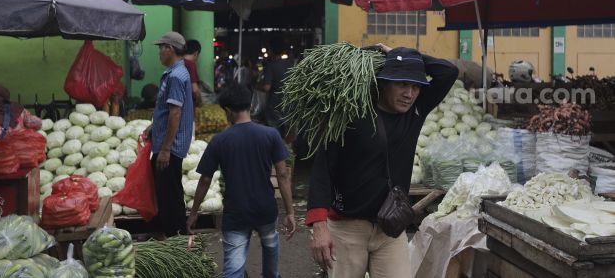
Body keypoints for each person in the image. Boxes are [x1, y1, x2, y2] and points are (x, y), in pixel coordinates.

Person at [306, 45, 458, 278]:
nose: (409, 93)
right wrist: (319, 225)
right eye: (402, 84)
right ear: (383, 82)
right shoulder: (351, 112)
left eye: (416, 86)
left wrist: (404, 56)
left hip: (391, 229)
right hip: (347, 228)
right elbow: (323, 168)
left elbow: (448, 72)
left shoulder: (415, 110)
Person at [187, 84, 296, 278]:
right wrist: (290, 212)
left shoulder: (219, 141)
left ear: (227, 111)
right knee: (270, 246)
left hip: (236, 212)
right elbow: (282, 175)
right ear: (251, 104)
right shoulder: (270, 134)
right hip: (265, 208)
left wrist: (194, 212)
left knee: (234, 269)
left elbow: (205, 180)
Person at [143, 31, 194, 237]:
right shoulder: (176, 73)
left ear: (170, 49)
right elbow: (167, 110)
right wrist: (153, 127)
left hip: (170, 147)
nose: (159, 53)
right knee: (167, 191)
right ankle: (169, 232)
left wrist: (165, 149)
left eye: (160, 48)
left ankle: (176, 236)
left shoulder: (176, 76)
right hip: (166, 142)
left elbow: (175, 113)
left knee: (169, 194)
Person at [260, 40, 291, 137]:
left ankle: (276, 149)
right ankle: (286, 149)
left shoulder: (271, 66)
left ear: (272, 51)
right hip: (288, 102)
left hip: (274, 103)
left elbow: (266, 87)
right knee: (285, 130)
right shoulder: (289, 65)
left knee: (274, 131)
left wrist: (257, 86)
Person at [184, 39, 203, 107]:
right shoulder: (190, 64)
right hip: (187, 104)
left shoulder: (178, 62)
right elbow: (194, 89)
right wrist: (200, 102)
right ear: (196, 53)